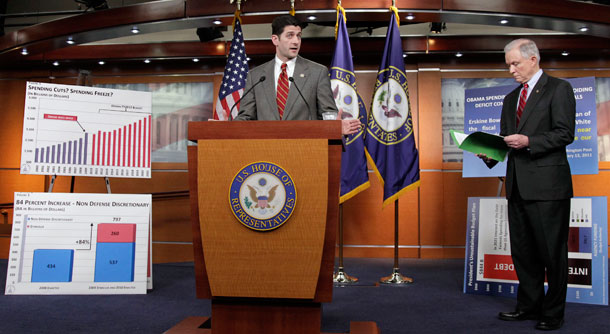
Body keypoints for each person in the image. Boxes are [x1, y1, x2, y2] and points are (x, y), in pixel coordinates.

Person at [479, 38, 575, 331]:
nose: (511, 69)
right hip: (517, 186)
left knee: (551, 253)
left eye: (515, 63)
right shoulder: (510, 99)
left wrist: (529, 141)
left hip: (548, 187)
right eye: (508, 64)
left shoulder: (559, 89)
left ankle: (553, 312)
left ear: (533, 59)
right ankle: (528, 306)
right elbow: (506, 141)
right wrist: (489, 152)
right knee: (523, 252)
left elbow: (564, 133)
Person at [234, 14, 361, 135]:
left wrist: (335, 127)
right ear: (275, 40)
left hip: (305, 150)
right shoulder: (255, 76)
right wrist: (225, 127)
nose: (296, 41)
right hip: (266, 151)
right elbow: (245, 117)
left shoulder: (317, 72)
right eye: (290, 35)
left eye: (298, 36)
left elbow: (328, 114)